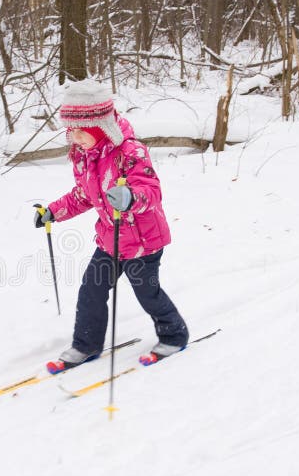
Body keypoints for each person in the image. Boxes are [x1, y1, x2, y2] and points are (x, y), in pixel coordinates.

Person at [35, 79, 189, 372]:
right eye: (72, 131)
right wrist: (53, 212)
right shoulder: (85, 156)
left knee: (147, 292)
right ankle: (86, 345)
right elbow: (84, 195)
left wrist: (131, 196)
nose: (75, 138)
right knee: (91, 289)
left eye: (81, 132)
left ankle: (174, 334)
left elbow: (152, 191)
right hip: (110, 239)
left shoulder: (131, 152)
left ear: (100, 127)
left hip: (144, 242)